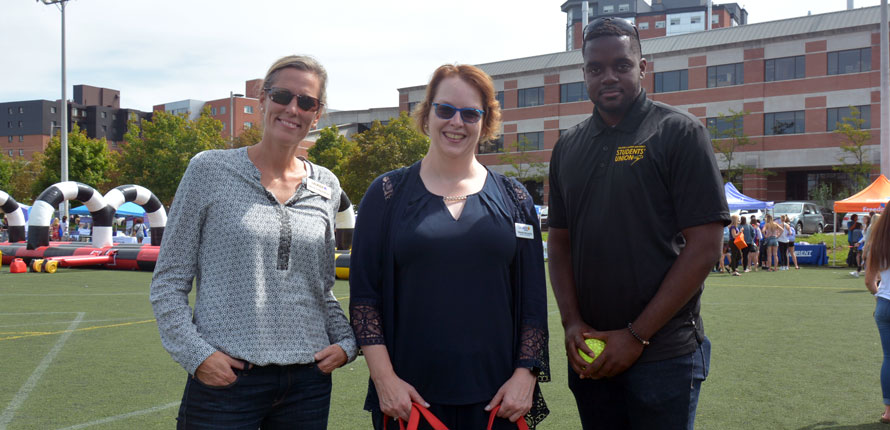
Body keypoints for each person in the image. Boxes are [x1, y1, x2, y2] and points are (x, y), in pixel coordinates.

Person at [150, 55, 357, 429]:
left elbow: (321, 288)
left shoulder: (326, 185)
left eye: (306, 102)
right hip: (226, 379)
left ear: (317, 114)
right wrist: (197, 356)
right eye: (282, 95)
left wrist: (346, 343)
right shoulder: (209, 170)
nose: (293, 108)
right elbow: (168, 281)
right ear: (262, 100)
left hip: (307, 385)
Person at [547, 17, 728, 429]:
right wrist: (572, 323)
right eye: (596, 68)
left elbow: (704, 248)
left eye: (621, 65)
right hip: (591, 351)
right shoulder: (568, 146)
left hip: (663, 354)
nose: (608, 76)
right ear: (584, 74)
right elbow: (559, 245)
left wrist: (636, 335)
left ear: (643, 67)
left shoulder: (679, 133)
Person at [349, 64, 550, 430]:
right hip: (410, 399)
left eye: (470, 113)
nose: (456, 122)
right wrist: (385, 381)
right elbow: (364, 298)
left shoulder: (515, 197)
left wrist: (525, 377)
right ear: (427, 114)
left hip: (498, 400)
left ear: (485, 122)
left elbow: (534, 301)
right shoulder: (387, 193)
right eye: (445, 109)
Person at [865, 206, 890, 424]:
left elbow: (869, 281)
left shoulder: (879, 243)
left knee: (889, 358)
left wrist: (878, 294)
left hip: (884, 304)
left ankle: (889, 411)